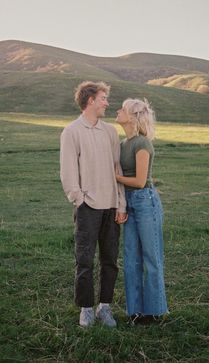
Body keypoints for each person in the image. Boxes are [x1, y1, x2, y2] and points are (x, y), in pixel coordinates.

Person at [60, 81, 127, 328]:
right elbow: (67, 173)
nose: (107, 103)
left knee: (110, 260)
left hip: (111, 207)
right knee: (85, 261)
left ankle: (104, 308)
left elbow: (116, 169)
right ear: (90, 100)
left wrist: (121, 204)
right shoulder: (71, 131)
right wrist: (80, 199)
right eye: (103, 98)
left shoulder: (110, 131)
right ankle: (86, 308)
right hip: (87, 207)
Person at [115, 98, 169, 324]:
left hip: (145, 202)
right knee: (130, 259)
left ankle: (155, 312)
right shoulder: (122, 143)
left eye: (123, 109)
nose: (118, 111)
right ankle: (135, 312)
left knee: (151, 258)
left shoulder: (142, 144)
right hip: (128, 203)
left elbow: (139, 181)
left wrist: (113, 177)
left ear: (133, 117)